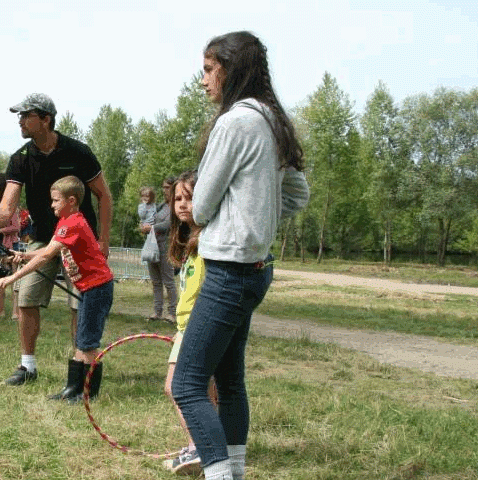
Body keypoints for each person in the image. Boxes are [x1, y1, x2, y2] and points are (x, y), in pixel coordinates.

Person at [170, 32, 310, 480]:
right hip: (256, 268)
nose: (204, 80)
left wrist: (241, 217)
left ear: (231, 70)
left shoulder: (233, 123)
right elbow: (298, 193)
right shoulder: (272, 121)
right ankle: (237, 471)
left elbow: (203, 205)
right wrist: (257, 216)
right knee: (229, 381)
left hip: (228, 271)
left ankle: (219, 474)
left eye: (209, 70)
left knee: (189, 384)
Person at [0, 93, 113, 386]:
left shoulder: (78, 152)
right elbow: (7, 207)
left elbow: (104, 196)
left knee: (79, 305)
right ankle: (27, 366)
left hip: (78, 242)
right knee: (27, 298)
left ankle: (80, 367)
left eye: (25, 116)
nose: (20, 121)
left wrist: (104, 241)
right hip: (42, 238)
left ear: (45, 119)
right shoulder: (20, 159)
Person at [0, 176, 113, 402]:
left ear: (71, 201)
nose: (51, 205)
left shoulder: (73, 223)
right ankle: (72, 389)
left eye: (55, 201)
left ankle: (87, 393)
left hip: (98, 288)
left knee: (87, 343)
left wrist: (14, 277)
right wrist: (24, 255)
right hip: (89, 288)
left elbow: (47, 256)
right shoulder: (65, 222)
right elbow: (48, 250)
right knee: (82, 339)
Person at [161, 171, 218, 475]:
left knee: (177, 387)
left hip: (199, 324)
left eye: (190, 197)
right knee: (201, 390)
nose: (182, 205)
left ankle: (201, 448)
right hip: (187, 326)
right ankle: (202, 445)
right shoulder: (190, 241)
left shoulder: (210, 240)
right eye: (177, 199)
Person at [141, 182, 178, 322]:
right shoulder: (161, 206)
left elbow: (170, 224)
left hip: (166, 247)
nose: (164, 190)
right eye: (163, 187)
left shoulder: (176, 206)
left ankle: (172, 314)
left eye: (167, 187)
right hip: (153, 246)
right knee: (156, 282)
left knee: (168, 281)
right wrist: (145, 225)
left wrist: (151, 227)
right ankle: (157, 312)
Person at [0, 173, 20, 319]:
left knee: (14, 279)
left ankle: (15, 312)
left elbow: (16, 227)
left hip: (10, 245)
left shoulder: (11, 204)